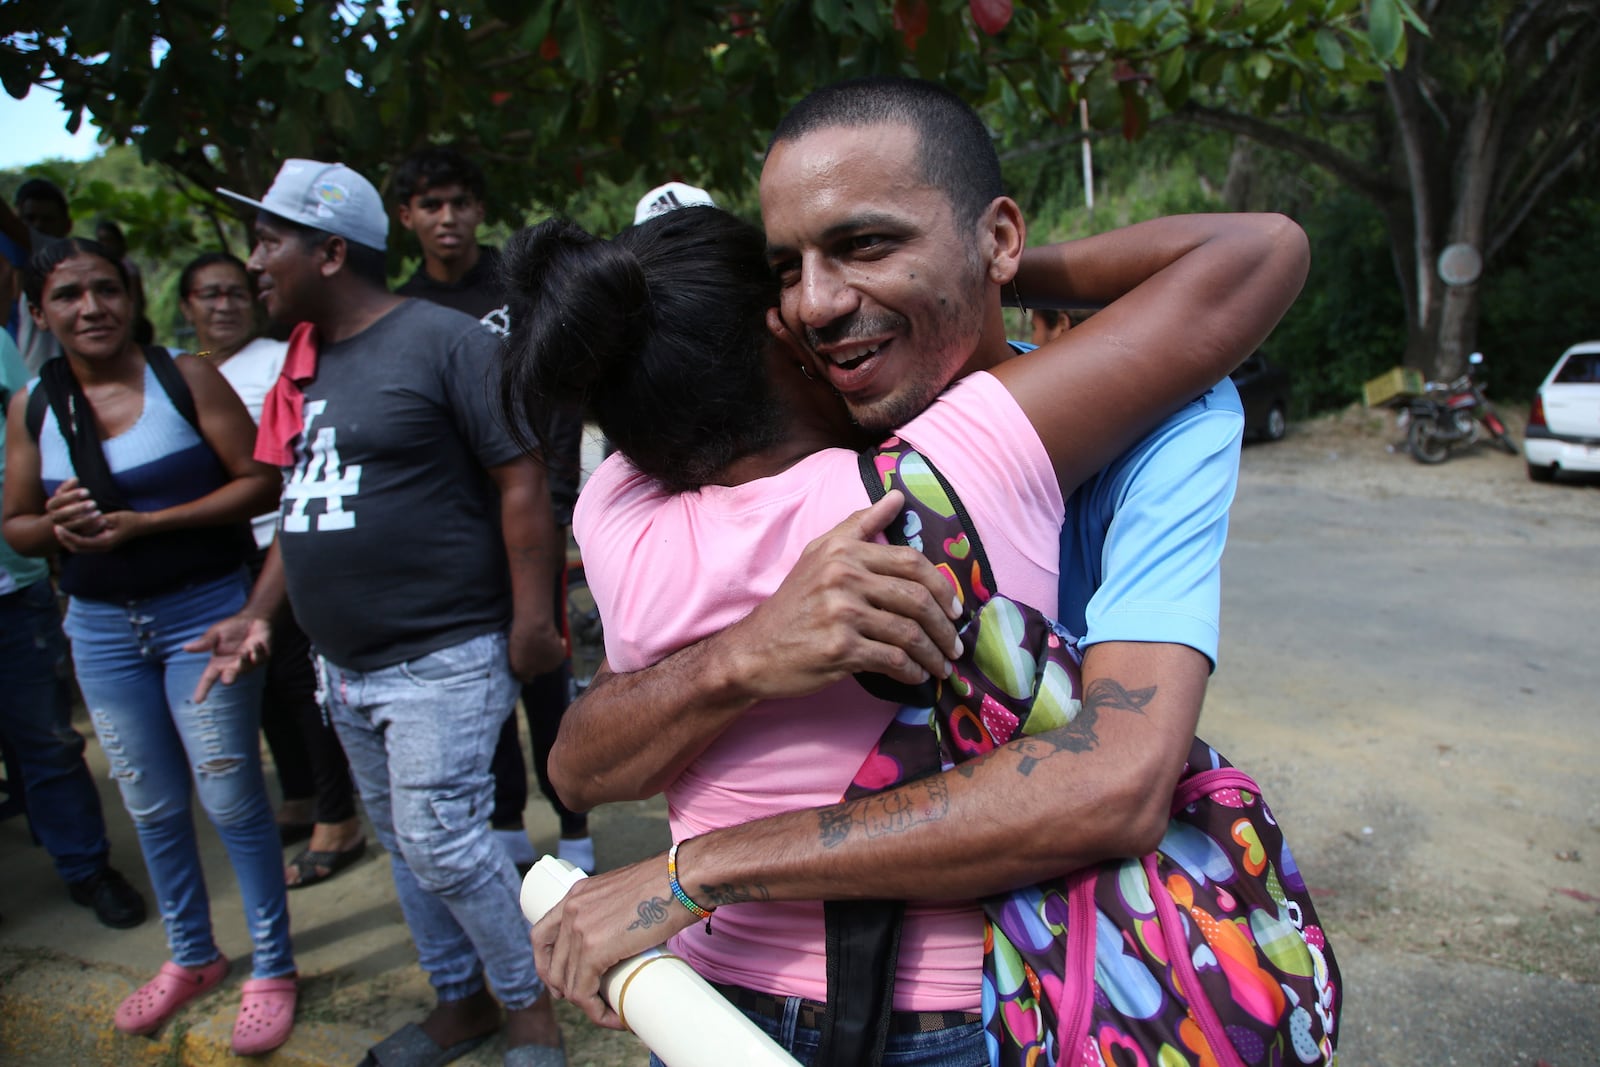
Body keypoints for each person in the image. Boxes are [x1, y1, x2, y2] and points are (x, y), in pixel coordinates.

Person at [518, 78, 1301, 1066]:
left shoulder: (1151, 418)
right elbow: (583, 758)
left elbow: (1113, 779)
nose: (813, 301)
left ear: (999, 236)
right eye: (783, 271)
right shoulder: (887, 463)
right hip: (768, 994)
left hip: (945, 985)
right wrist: (750, 652)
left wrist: (690, 870)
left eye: (867, 244)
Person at [192, 158, 569, 1066]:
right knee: (405, 844)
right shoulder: (304, 361)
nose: (256, 263)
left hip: (443, 649)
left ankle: (531, 1007)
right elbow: (302, 507)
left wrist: (530, 621)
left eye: (270, 241)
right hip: (342, 665)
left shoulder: (447, 341)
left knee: (443, 842)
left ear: (329, 251)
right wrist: (258, 616)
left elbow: (520, 480)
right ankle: (461, 999)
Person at [1, 238, 298, 1055]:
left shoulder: (185, 377)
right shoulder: (32, 404)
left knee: (232, 795)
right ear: (39, 310)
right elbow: (15, 521)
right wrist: (51, 528)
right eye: (67, 295)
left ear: (131, 296)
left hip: (202, 615)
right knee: (150, 802)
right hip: (100, 630)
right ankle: (192, 955)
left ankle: (274, 965)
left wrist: (151, 522)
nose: (89, 308)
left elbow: (261, 480)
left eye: (105, 289)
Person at [392, 146, 592, 876]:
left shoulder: (515, 292)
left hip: (533, 519)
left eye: (460, 203)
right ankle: (507, 825)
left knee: (546, 672)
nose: (448, 219)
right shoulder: (403, 309)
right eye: (431, 205)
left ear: (479, 209)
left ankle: (575, 826)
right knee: (485, 675)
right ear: (405, 216)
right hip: (458, 534)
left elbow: (559, 394)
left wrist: (561, 497)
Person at [176, 251, 365, 888]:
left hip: (281, 544)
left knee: (301, 682)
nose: (223, 305)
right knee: (260, 690)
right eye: (208, 295)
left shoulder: (282, 359)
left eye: (234, 293)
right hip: (221, 548)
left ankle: (337, 815)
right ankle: (302, 794)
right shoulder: (188, 372)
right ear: (186, 307)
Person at [0, 313, 148, 932]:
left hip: (10, 591)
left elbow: (25, 443)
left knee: (48, 742)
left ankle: (86, 867)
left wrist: (49, 521)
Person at [2, 180, 72, 372]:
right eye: (29, 219)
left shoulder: (62, 254)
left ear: (67, 225)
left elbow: (6, 221)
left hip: (49, 385)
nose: (38, 226)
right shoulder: (12, 264)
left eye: (48, 219)